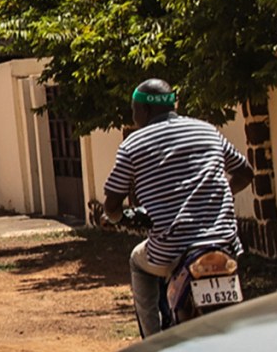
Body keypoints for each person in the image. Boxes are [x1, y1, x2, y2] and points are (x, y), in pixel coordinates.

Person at [102, 79, 255, 337]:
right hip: (224, 244)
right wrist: (218, 194)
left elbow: (112, 201)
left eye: (134, 110)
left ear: (146, 111)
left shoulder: (133, 144)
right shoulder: (206, 130)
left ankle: (151, 345)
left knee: (137, 262)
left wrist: (115, 217)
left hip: (173, 248)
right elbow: (245, 172)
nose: (133, 116)